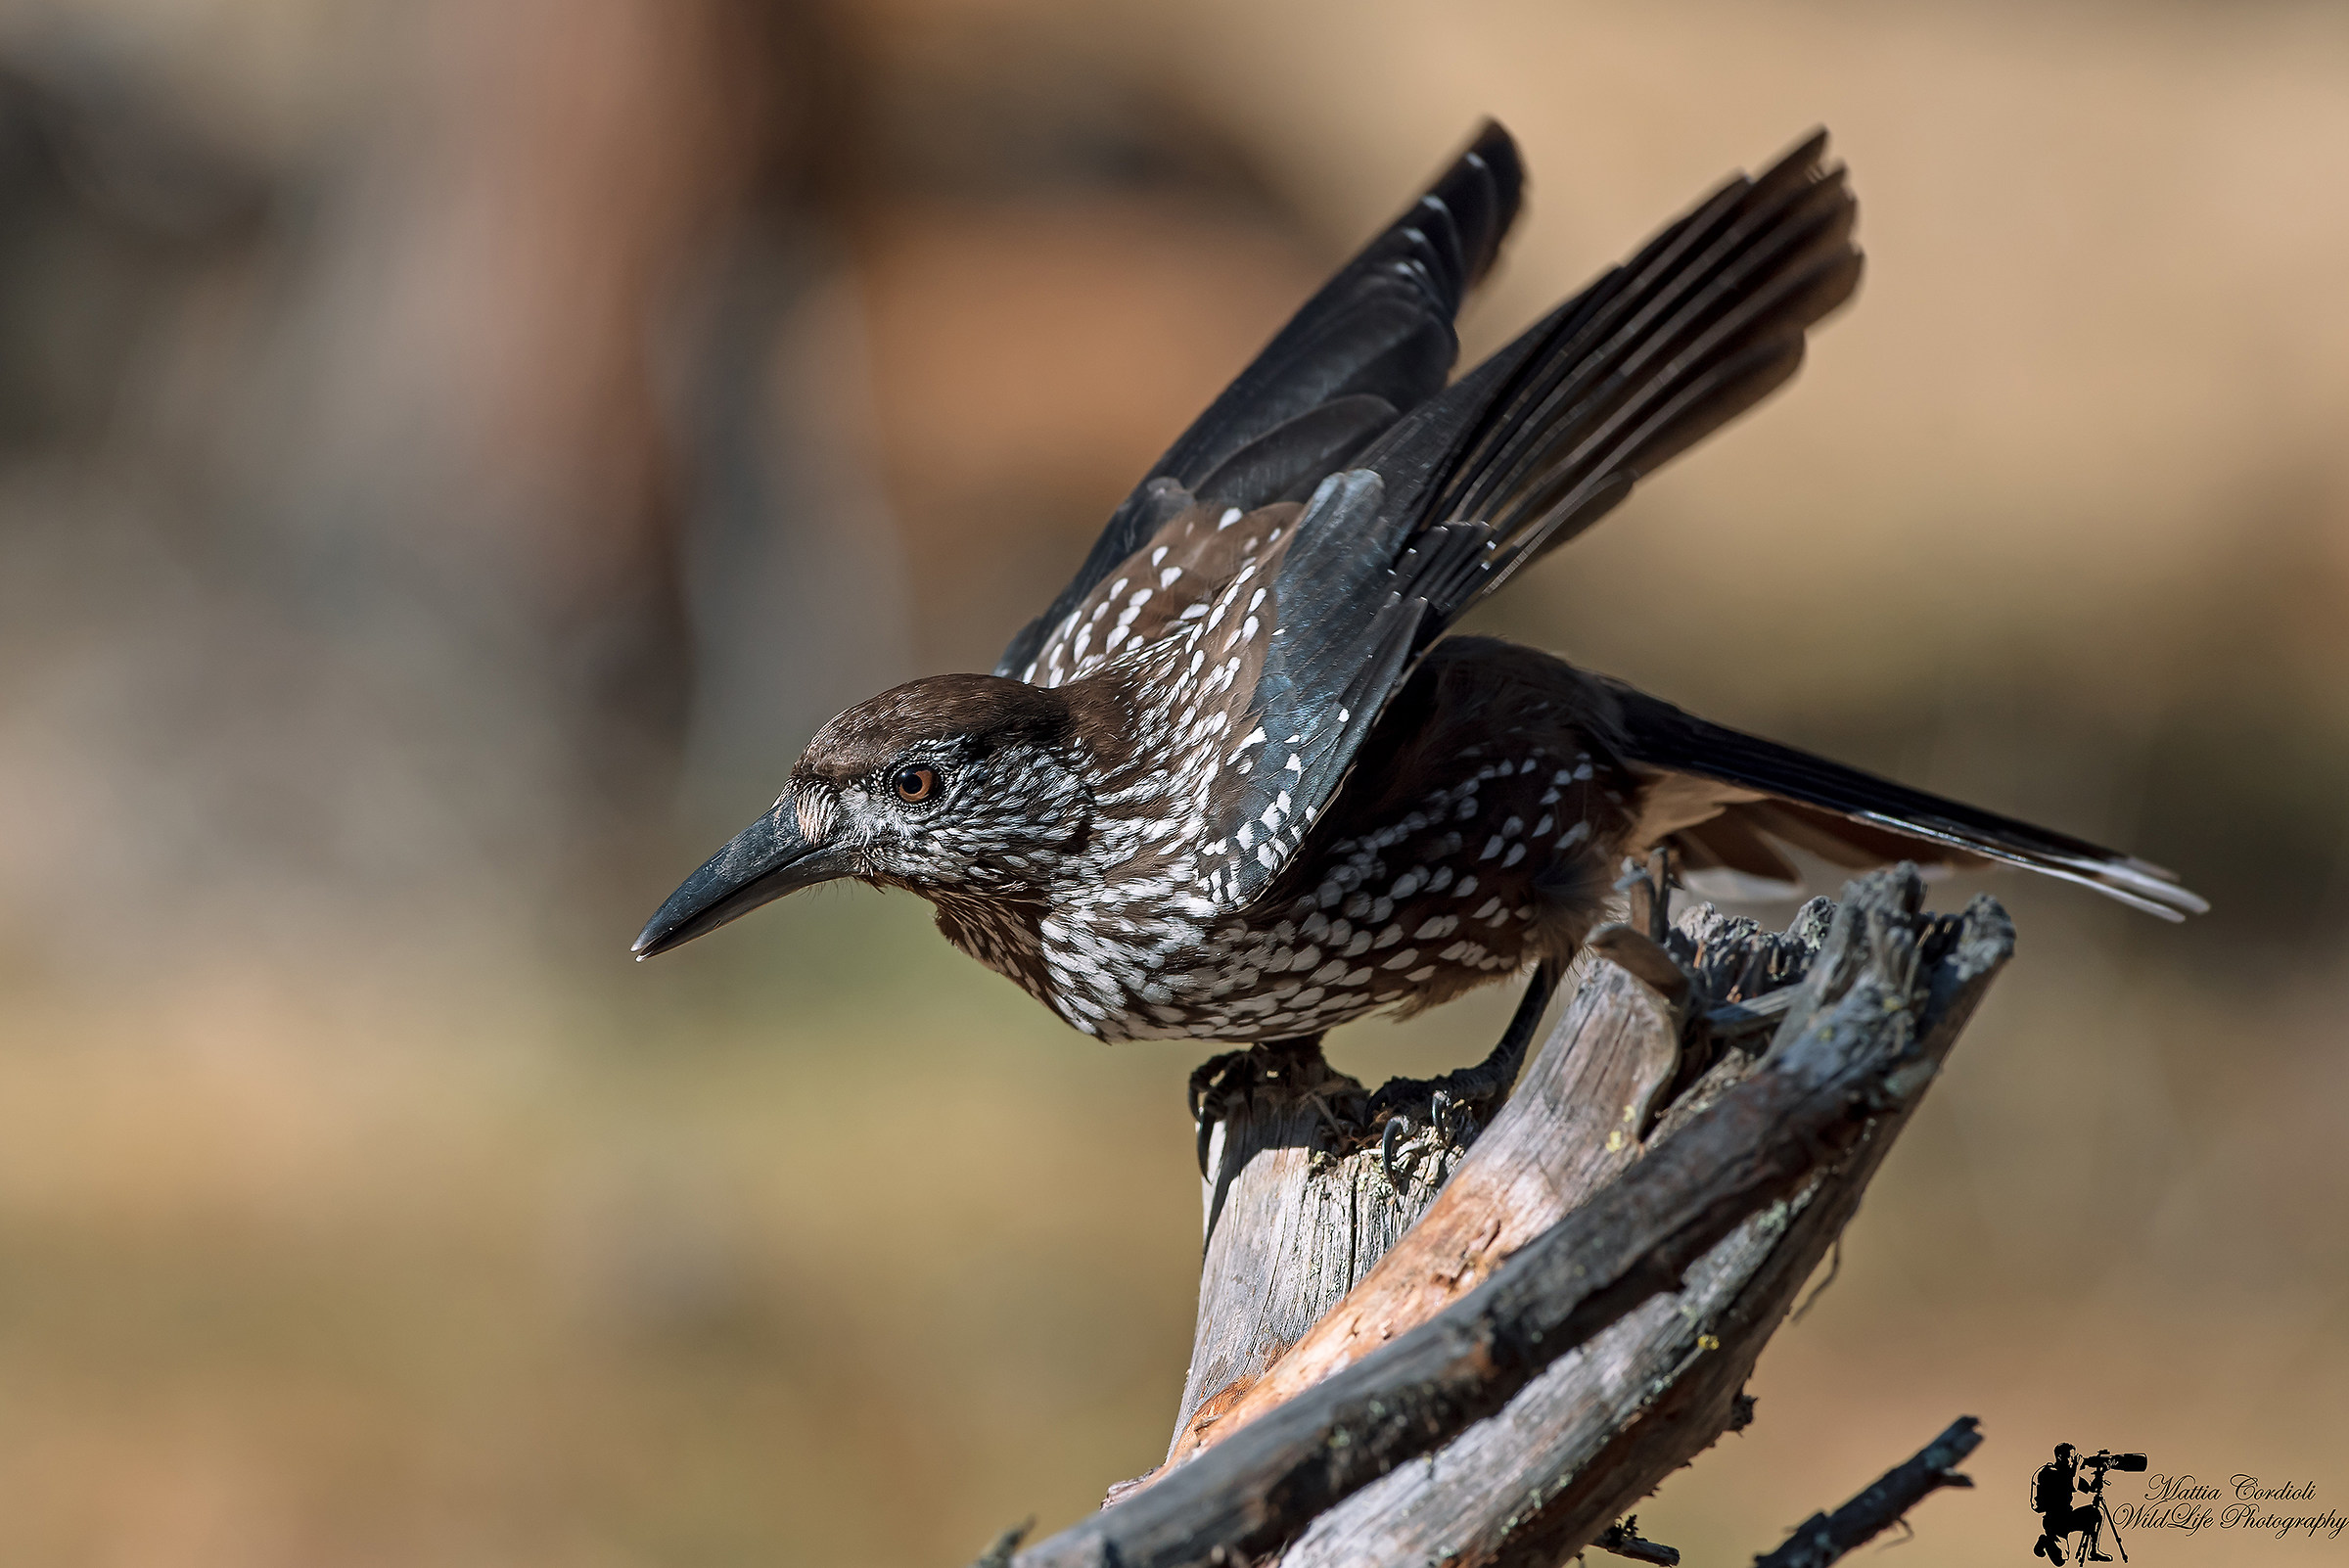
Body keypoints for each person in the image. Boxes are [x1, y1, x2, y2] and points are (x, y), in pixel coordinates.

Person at [2033, 1445, 2111, 1563]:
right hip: (2054, 1521)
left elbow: (2091, 1488)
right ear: (2059, 1457)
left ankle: (2093, 1551)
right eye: (2070, 1457)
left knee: (2097, 1512)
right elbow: (2072, 1486)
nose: (2073, 1460)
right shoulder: (2049, 1472)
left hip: (2068, 1517)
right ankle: (2044, 1540)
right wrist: (2077, 1467)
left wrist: (2101, 1473)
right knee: (2061, 1561)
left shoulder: (2068, 1473)